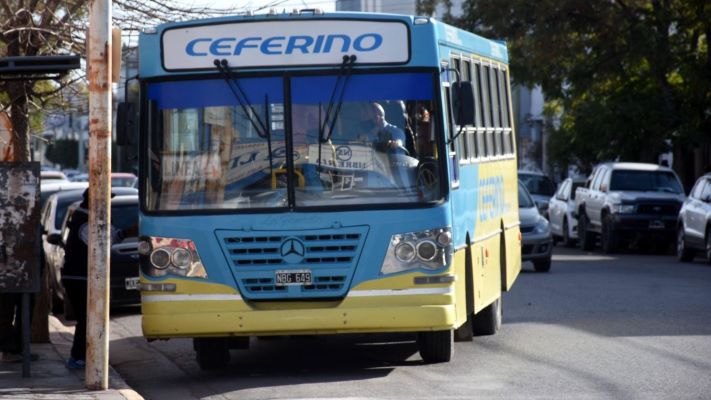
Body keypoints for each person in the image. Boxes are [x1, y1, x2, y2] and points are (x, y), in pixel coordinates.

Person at [62, 188, 132, 369]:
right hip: (79, 277)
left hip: (82, 276)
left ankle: (83, 356)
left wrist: (125, 233)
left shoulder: (91, 218)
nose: (108, 204)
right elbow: (101, 245)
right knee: (87, 318)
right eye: (105, 200)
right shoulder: (85, 220)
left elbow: (109, 238)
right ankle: (77, 357)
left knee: (89, 317)